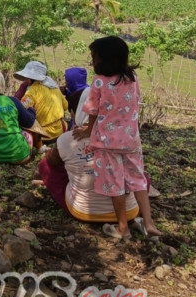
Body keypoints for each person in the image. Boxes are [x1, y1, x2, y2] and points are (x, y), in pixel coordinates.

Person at [73, 36, 161, 240]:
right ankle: (148, 222)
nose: (92, 61)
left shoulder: (99, 81)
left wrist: (87, 130)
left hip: (106, 141)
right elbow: (135, 102)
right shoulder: (133, 78)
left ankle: (123, 227)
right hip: (131, 140)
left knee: (115, 184)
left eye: (94, 57)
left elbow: (93, 110)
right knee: (138, 180)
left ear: (104, 58)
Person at [39, 87, 152, 225]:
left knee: (45, 165)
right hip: (130, 212)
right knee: (142, 177)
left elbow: (51, 162)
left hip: (83, 211)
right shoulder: (127, 136)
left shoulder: (66, 139)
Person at [13, 60, 68, 142]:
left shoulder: (32, 91)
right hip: (61, 130)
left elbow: (20, 111)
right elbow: (65, 106)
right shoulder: (54, 87)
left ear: (32, 78)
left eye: (27, 77)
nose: (25, 80)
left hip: (44, 134)